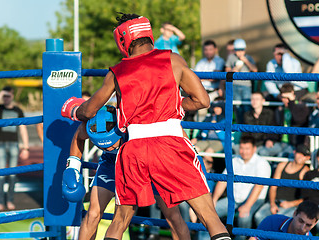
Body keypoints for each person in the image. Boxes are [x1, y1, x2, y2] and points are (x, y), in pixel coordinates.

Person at [62, 13, 231, 240]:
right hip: (170, 144)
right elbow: (203, 100)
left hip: (133, 150)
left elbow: (89, 111)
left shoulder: (117, 72)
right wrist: (174, 105)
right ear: (148, 33)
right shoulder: (174, 60)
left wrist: (75, 110)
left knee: (119, 220)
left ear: (123, 41)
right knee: (210, 217)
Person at [63, 105, 190, 240]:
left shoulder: (135, 120)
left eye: (111, 144)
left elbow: (174, 127)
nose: (108, 147)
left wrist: (190, 154)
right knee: (93, 214)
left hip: (148, 160)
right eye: (101, 146)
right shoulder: (91, 125)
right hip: (111, 163)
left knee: (173, 216)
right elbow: (78, 136)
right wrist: (73, 165)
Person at [204, 136, 271, 240]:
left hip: (255, 200)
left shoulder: (262, 163)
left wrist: (247, 206)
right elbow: (223, 181)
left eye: (247, 148)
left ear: (254, 149)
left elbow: (259, 186)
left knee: (244, 216)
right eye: (242, 148)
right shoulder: (235, 160)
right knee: (208, 213)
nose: (244, 152)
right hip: (233, 199)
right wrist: (214, 200)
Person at [0, 86, 30, 212]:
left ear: (12, 96)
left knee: (12, 175)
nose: (6, 98)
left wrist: (26, 147)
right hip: (1, 144)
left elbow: (23, 128)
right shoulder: (0, 109)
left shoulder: (18, 110)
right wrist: (1, 93)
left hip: (14, 144)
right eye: (4, 96)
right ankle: (0, 202)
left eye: (8, 96)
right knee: (1, 175)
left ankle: (10, 200)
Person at [254, 144, 310, 226]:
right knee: (259, 216)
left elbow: (306, 197)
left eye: (305, 155)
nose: (301, 156)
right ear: (294, 152)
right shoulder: (282, 165)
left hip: (291, 206)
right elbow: (273, 187)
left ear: (308, 158)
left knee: (281, 221)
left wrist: (290, 204)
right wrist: (272, 204)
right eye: (300, 153)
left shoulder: (305, 172)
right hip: (275, 202)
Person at [225, 38, 258, 124]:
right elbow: (226, 71)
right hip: (235, 85)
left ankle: (247, 127)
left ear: (245, 50)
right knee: (238, 107)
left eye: (242, 50)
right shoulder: (231, 57)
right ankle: (239, 128)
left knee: (247, 107)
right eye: (237, 50)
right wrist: (233, 70)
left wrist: (246, 61)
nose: (240, 52)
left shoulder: (248, 58)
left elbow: (255, 70)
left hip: (246, 86)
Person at [249, 201, 319, 239]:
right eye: (300, 221)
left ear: (314, 224)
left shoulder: (309, 239)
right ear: (294, 213)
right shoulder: (272, 221)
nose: (302, 228)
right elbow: (254, 238)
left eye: (308, 225)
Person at [273, 83, 309, 157]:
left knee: (281, 155)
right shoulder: (279, 110)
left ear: (293, 96)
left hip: (295, 144)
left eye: (288, 98)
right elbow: (274, 126)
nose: (286, 101)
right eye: (284, 98)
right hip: (281, 142)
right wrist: (270, 139)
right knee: (261, 151)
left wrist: (292, 102)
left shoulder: (302, 107)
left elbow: (298, 119)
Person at [239, 92, 279, 156]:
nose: (254, 101)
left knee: (263, 152)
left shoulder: (270, 113)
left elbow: (274, 130)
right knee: (234, 149)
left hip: (265, 144)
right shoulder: (247, 115)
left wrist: (270, 140)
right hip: (251, 144)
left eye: (257, 99)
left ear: (263, 101)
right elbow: (245, 133)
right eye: (252, 99)